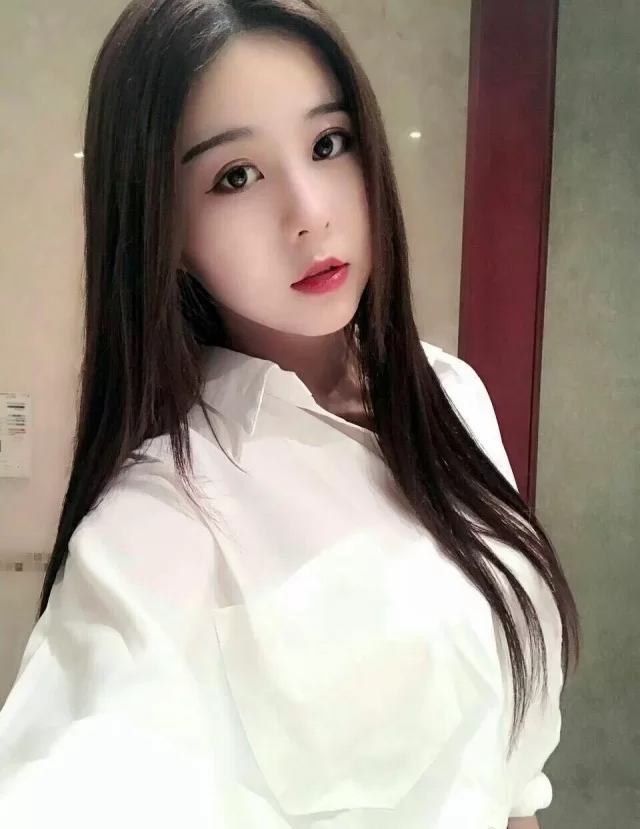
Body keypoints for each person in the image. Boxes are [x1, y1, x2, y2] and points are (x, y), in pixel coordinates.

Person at [0, 1, 579, 827]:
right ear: (166, 230)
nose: (310, 211)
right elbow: (71, 772)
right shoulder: (166, 510)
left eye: (328, 143)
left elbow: (514, 768)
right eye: (235, 175)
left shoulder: (452, 395)